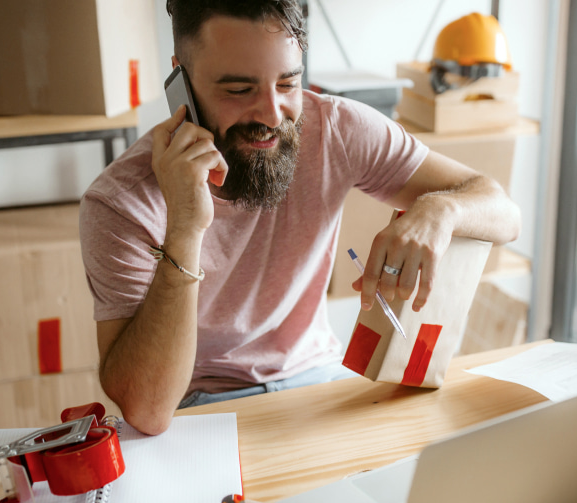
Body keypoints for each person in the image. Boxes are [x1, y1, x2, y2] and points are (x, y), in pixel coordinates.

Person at [79, 0, 522, 436]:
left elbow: (503, 213)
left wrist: (439, 210)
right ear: (182, 80)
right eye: (239, 90)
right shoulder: (121, 201)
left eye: (288, 83)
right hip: (196, 409)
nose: (273, 114)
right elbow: (149, 410)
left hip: (320, 381)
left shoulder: (335, 129)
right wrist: (185, 226)